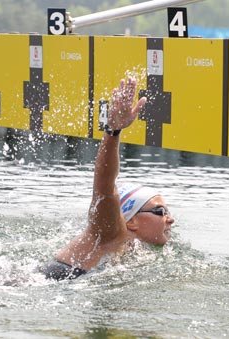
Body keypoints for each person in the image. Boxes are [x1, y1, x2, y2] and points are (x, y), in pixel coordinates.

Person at [42, 76, 175, 280]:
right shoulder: (110, 232)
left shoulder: (132, 247)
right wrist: (113, 132)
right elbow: (104, 186)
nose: (171, 219)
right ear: (131, 221)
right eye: (160, 212)